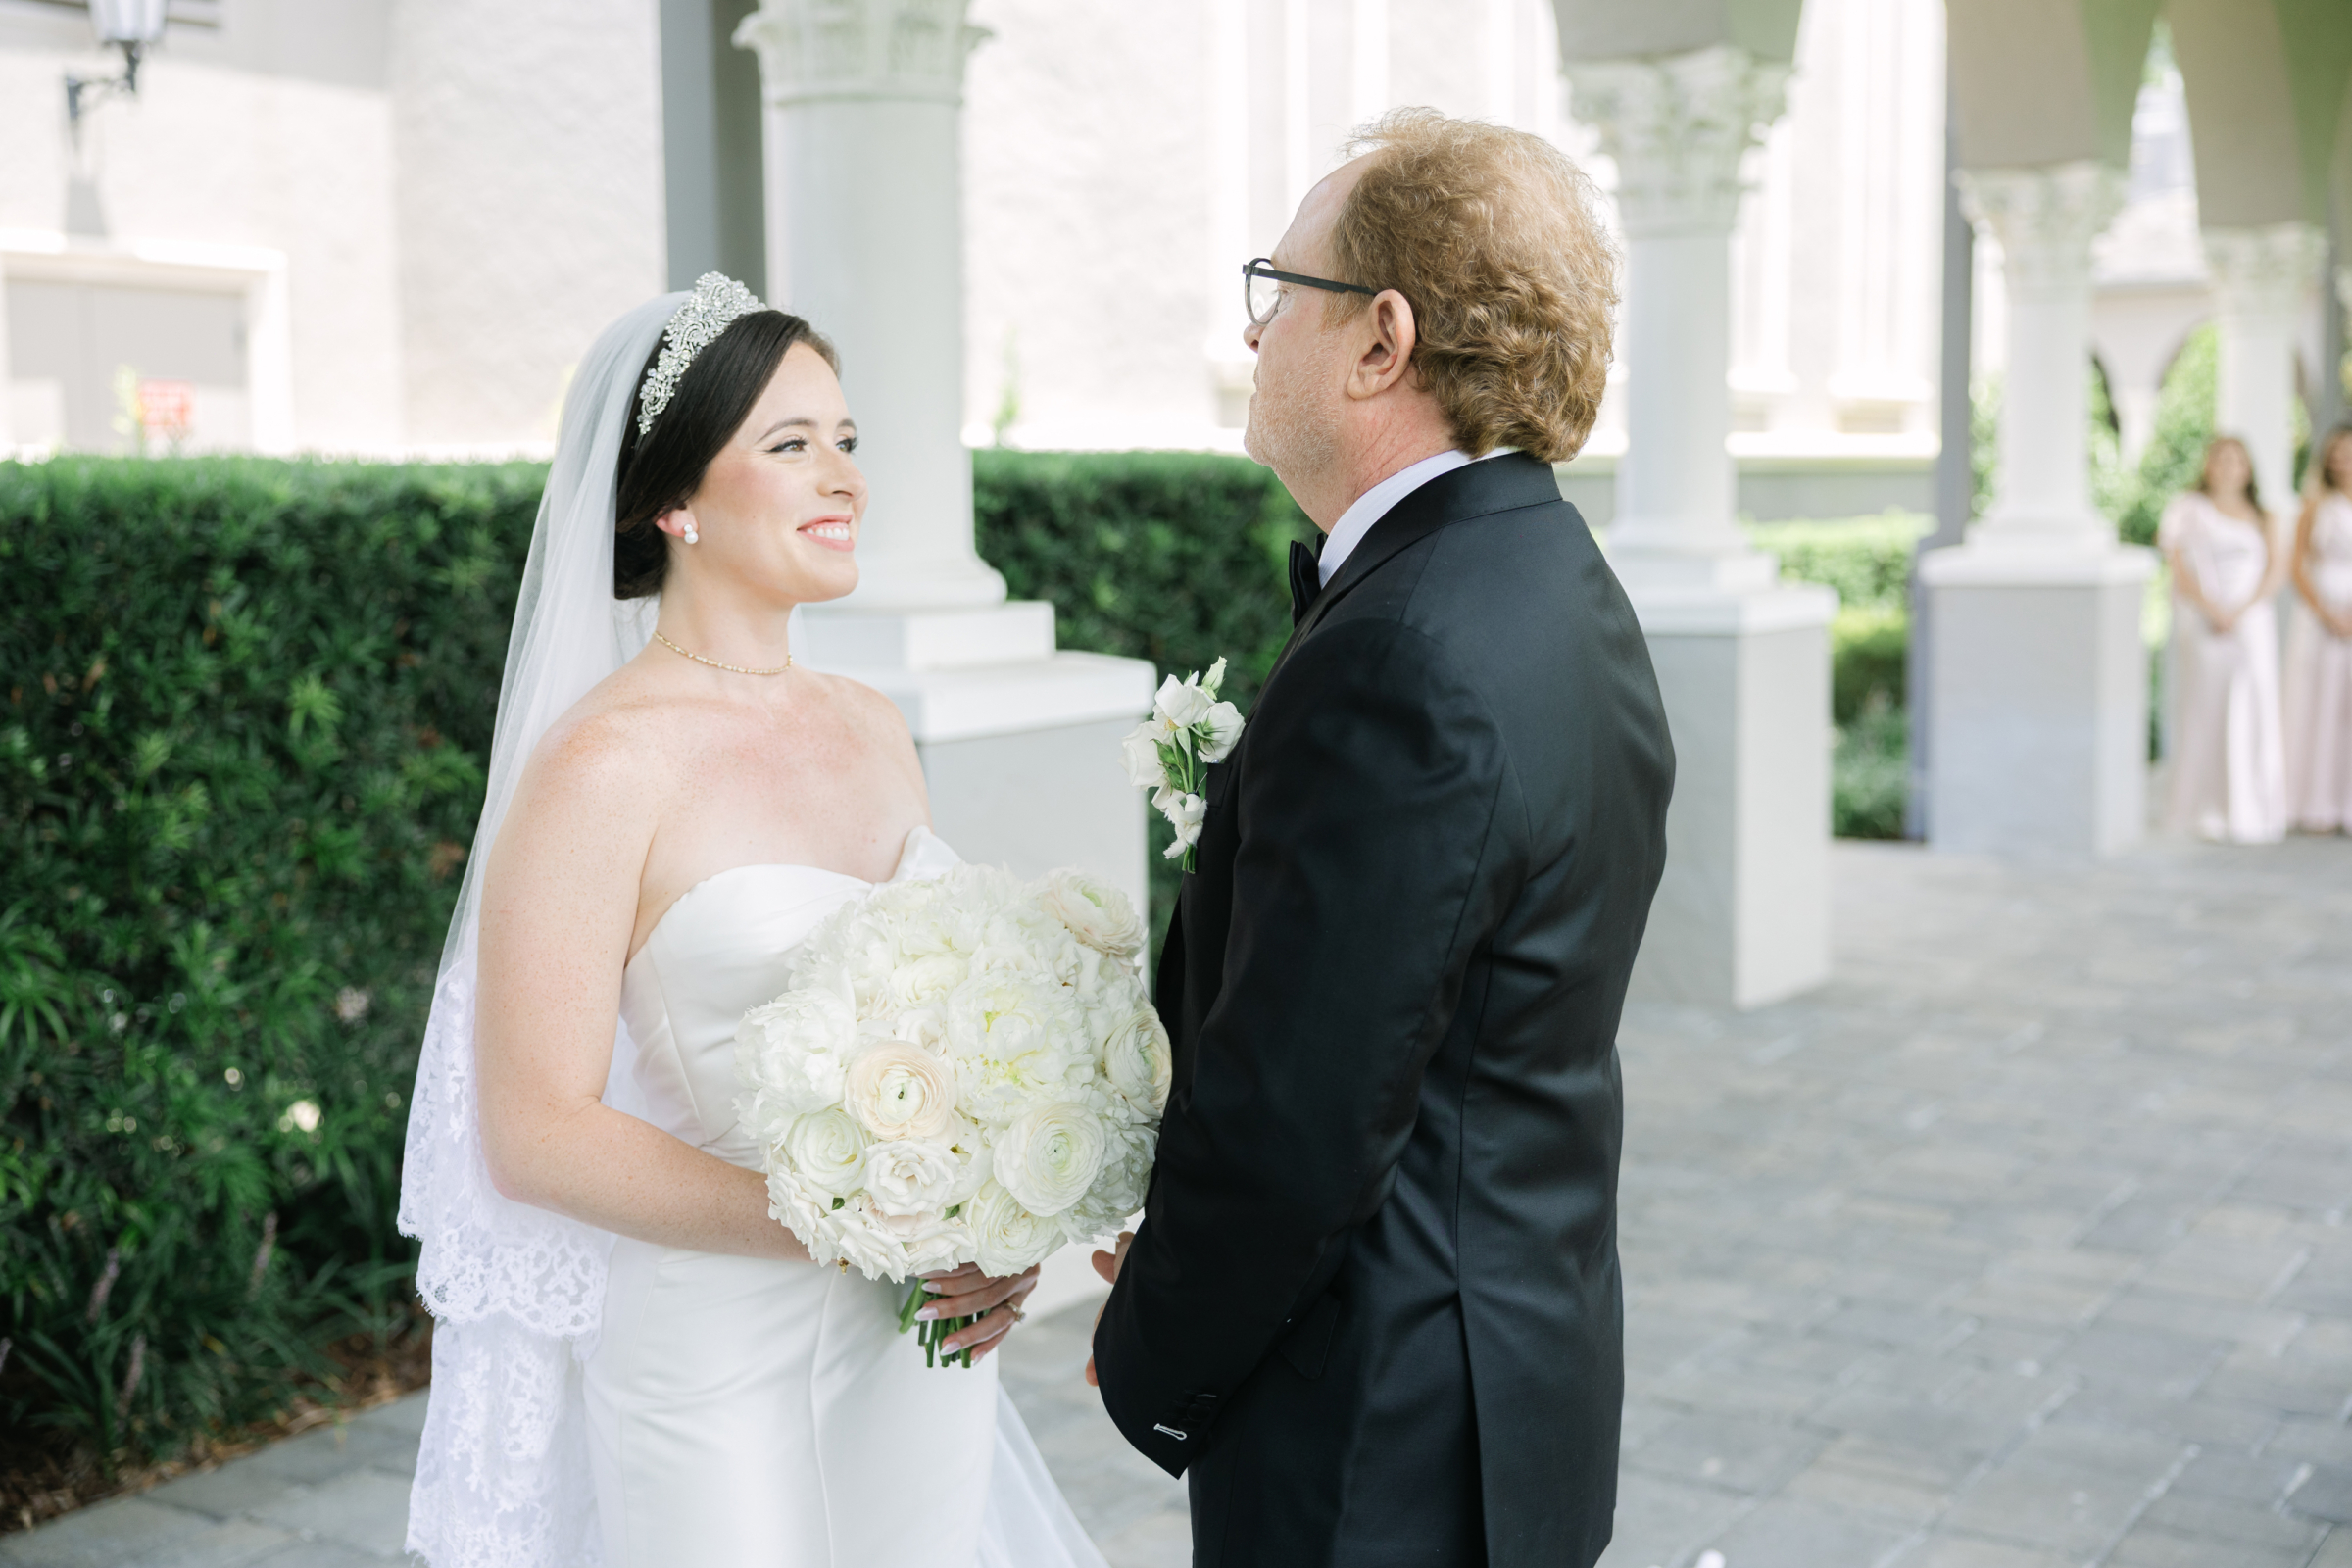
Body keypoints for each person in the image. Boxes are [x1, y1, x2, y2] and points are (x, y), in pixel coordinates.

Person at [396, 276, 1104, 1568]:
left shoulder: (873, 724)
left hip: (916, 1353)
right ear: (674, 502)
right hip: (712, 1368)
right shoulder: (600, 767)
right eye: (791, 446)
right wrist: (858, 1219)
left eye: (846, 441)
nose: (844, 478)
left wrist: (990, 1229)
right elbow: (535, 1133)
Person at [1087, 110, 1672, 1568]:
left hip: (1376, 1434)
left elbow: (1302, 1114)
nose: (1256, 332)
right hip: (1514, 1382)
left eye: (1280, 290)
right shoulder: (1558, 583)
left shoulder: (1404, 650)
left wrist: (1155, 1349)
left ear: (1380, 340)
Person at [2160, 434, 2287, 844]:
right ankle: (2204, 809)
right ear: (2208, 466)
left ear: (2248, 468)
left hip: (2251, 622)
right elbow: (2179, 568)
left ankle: (2252, 809)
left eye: (2238, 460)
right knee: (2205, 709)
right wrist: (2212, 609)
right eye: (2222, 459)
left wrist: (2242, 609)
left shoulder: (2265, 515)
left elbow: (2276, 570)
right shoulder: (2188, 510)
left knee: (2254, 706)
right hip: (2206, 620)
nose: (2230, 467)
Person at [2283, 423, 2352, 832]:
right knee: (2322, 705)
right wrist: (2327, 614)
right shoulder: (2315, 505)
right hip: (2323, 617)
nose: (2344, 461)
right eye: (2337, 453)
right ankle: (2316, 804)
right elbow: (2297, 565)